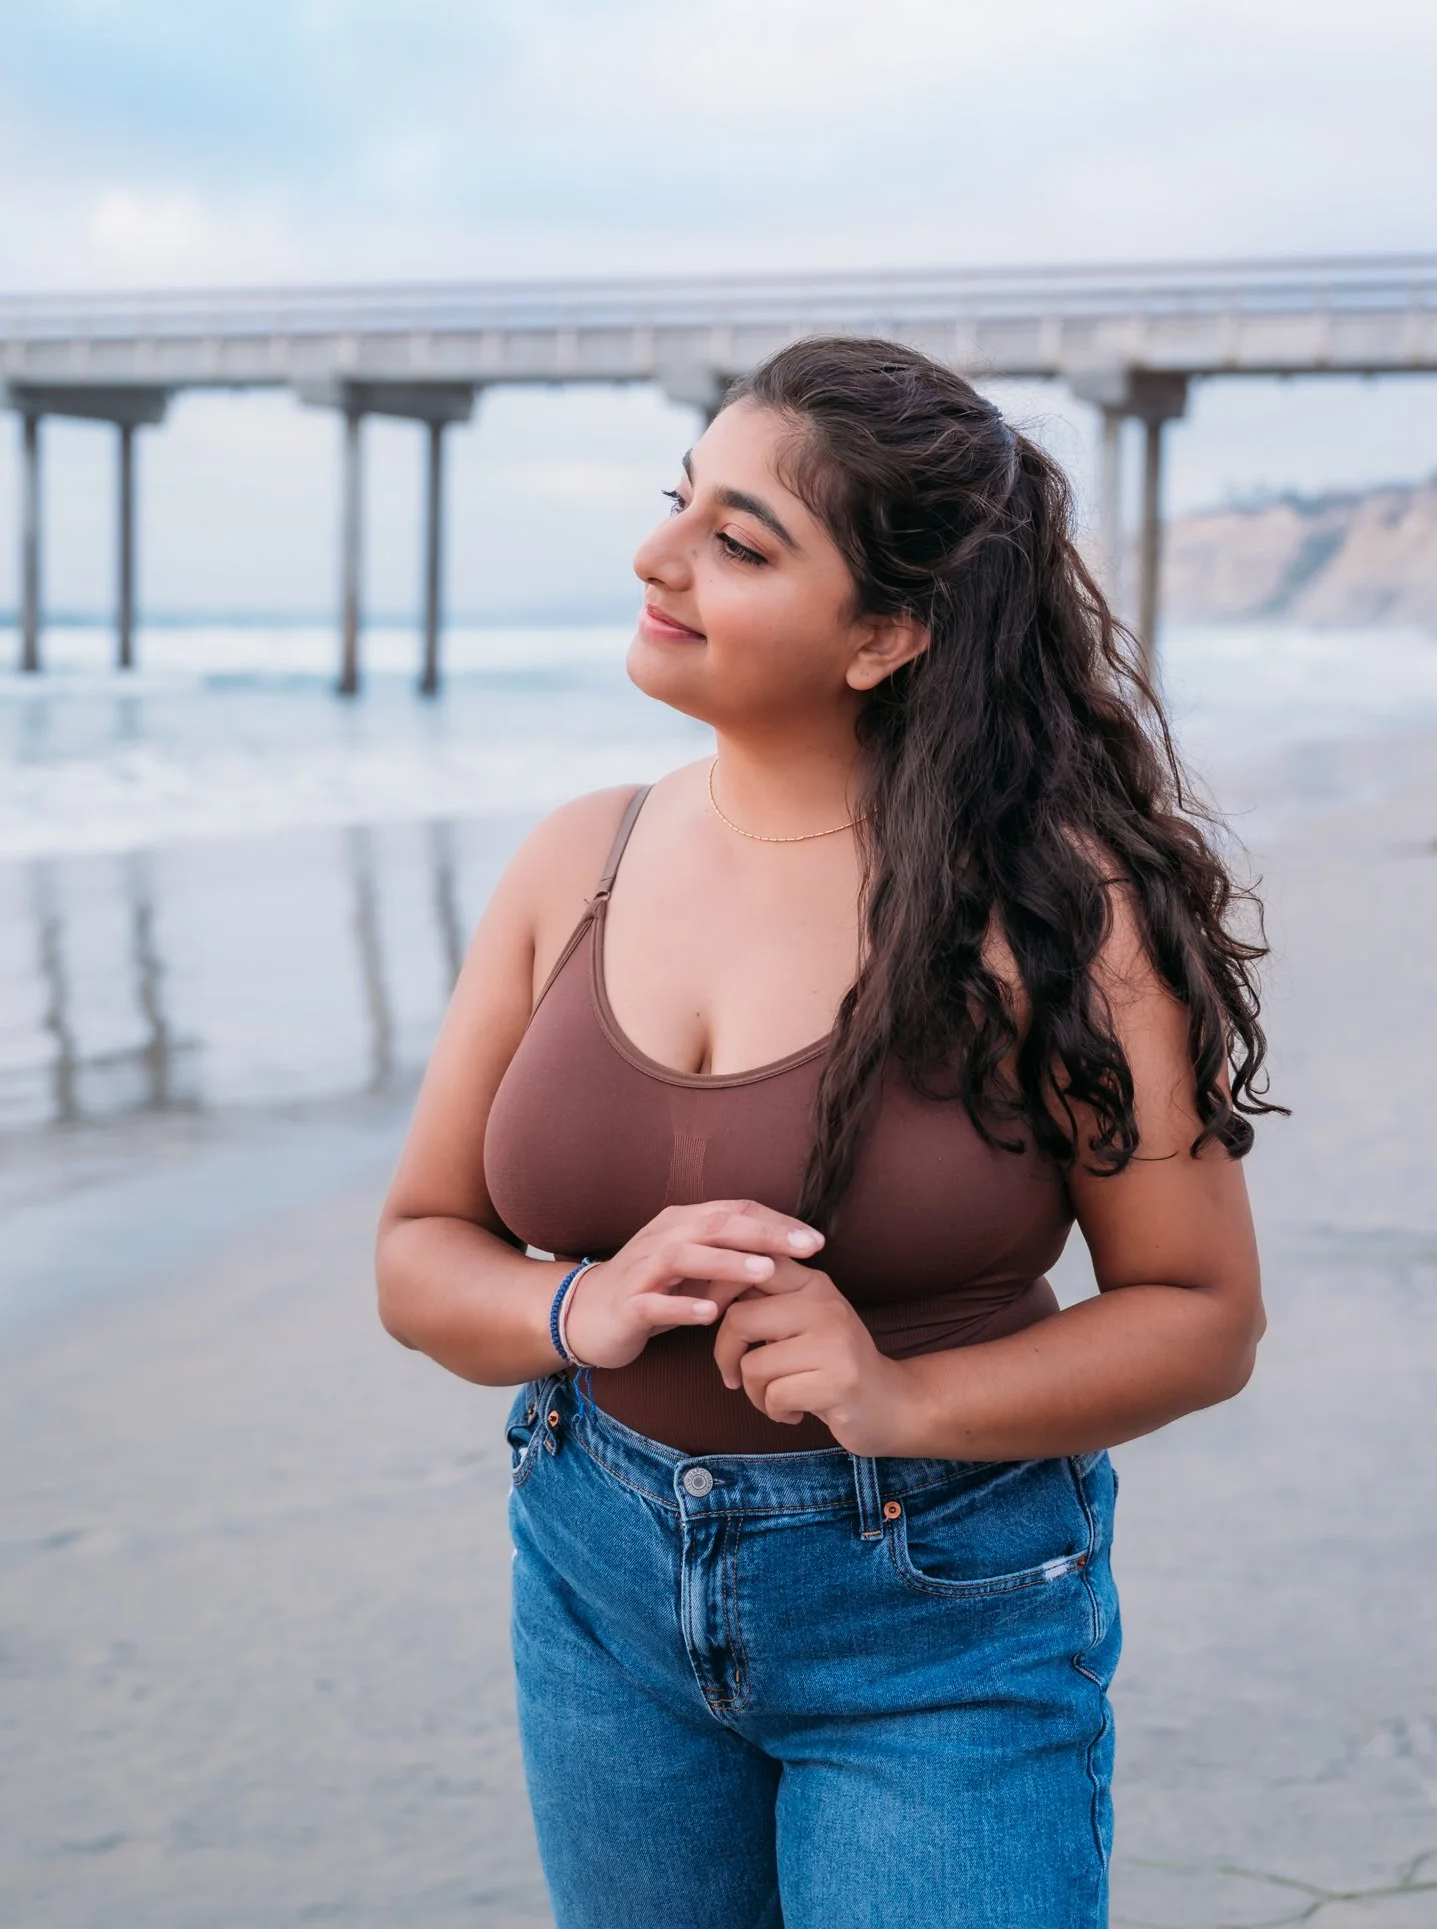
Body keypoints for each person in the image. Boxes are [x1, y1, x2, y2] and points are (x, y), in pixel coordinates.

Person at [374, 336, 1272, 1929]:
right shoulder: (576, 860)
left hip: (941, 1618)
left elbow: (1201, 1318)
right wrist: (573, 1307)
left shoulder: (1051, 915)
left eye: (740, 541)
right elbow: (420, 1251)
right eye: (681, 504)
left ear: (886, 635)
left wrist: (898, 1395)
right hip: (596, 1585)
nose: (659, 557)